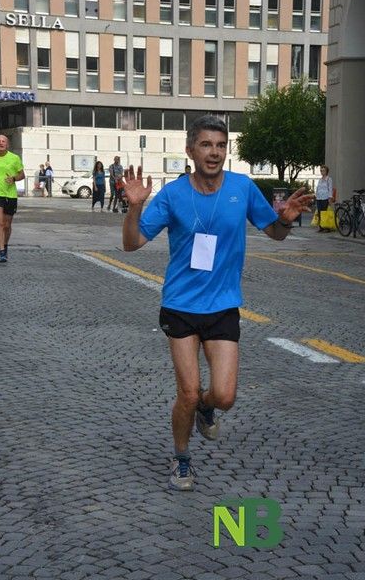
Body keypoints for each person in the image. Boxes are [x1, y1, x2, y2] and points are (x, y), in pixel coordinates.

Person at [122, 115, 312, 491]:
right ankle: (181, 459)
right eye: (206, 145)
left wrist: (286, 220)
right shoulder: (174, 195)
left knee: (223, 396)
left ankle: (205, 408)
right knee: (188, 392)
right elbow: (131, 244)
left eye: (221, 145)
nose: (214, 152)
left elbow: (274, 233)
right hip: (180, 305)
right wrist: (134, 208)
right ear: (190, 150)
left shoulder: (242, 188)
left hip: (223, 305)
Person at [0, 134, 25, 263]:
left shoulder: (14, 158)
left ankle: (5, 245)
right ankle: (2, 252)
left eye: (3, 141)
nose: (1, 143)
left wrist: (13, 178)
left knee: (7, 225)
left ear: (7, 144)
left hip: (10, 195)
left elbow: (22, 175)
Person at [315, 165, 333, 231]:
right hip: (319, 198)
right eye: (321, 171)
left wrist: (330, 198)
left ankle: (327, 227)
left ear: (326, 171)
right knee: (319, 212)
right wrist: (316, 195)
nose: (322, 172)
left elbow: (330, 189)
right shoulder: (320, 179)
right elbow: (318, 188)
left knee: (324, 212)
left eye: (323, 171)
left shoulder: (329, 179)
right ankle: (321, 227)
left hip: (325, 198)